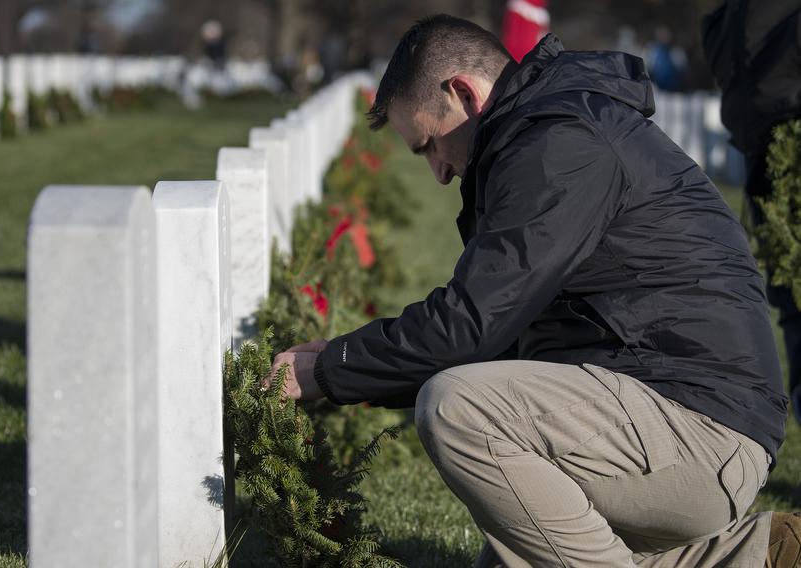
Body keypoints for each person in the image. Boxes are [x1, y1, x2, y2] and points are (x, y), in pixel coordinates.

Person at [267, 14, 800, 567]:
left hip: (700, 428)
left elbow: (470, 325)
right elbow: (497, 334)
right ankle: (757, 555)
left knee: (458, 408)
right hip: (663, 412)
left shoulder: (560, 141)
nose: (438, 173)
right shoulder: (545, 132)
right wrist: (353, 374)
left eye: (428, 144)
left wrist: (330, 369)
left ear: (463, 94)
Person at [703, 0, 801, 430]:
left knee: (794, 305)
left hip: (770, 144)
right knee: (794, 302)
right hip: (776, 147)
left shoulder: (736, 16)